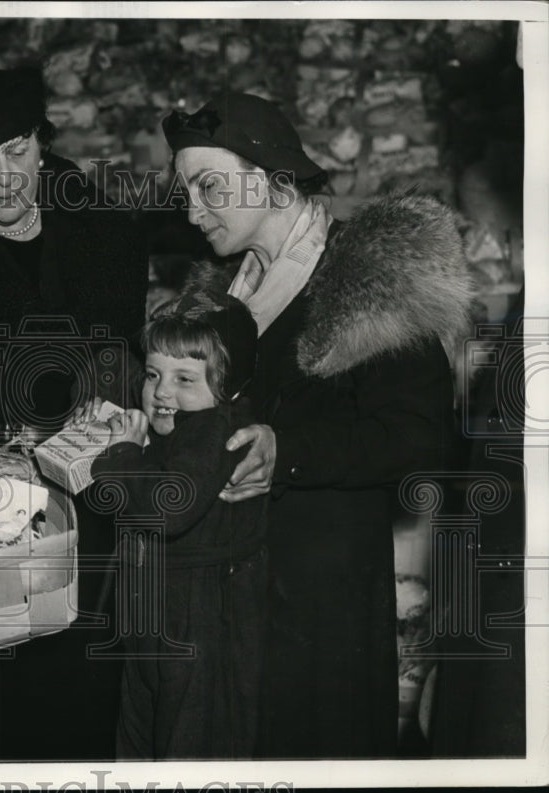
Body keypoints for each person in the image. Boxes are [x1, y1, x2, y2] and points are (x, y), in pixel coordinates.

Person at [162, 92, 474, 758]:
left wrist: (290, 451)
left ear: (273, 181)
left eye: (208, 186)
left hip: (322, 602)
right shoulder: (227, 289)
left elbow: (421, 435)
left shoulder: (367, 277)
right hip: (235, 591)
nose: (191, 210)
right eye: (185, 191)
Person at [0, 67, 148, 761]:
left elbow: (123, 355)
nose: (5, 177)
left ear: (43, 143)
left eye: (18, 151)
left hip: (84, 500)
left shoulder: (105, 229)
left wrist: (121, 405)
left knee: (78, 689)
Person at [76, 275, 267, 759]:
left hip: (202, 617)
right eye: (153, 374)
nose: (161, 392)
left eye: (185, 379)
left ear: (229, 386)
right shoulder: (183, 423)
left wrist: (122, 452)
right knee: (142, 736)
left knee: (191, 747)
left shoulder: (215, 430)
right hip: (159, 612)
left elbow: (168, 507)